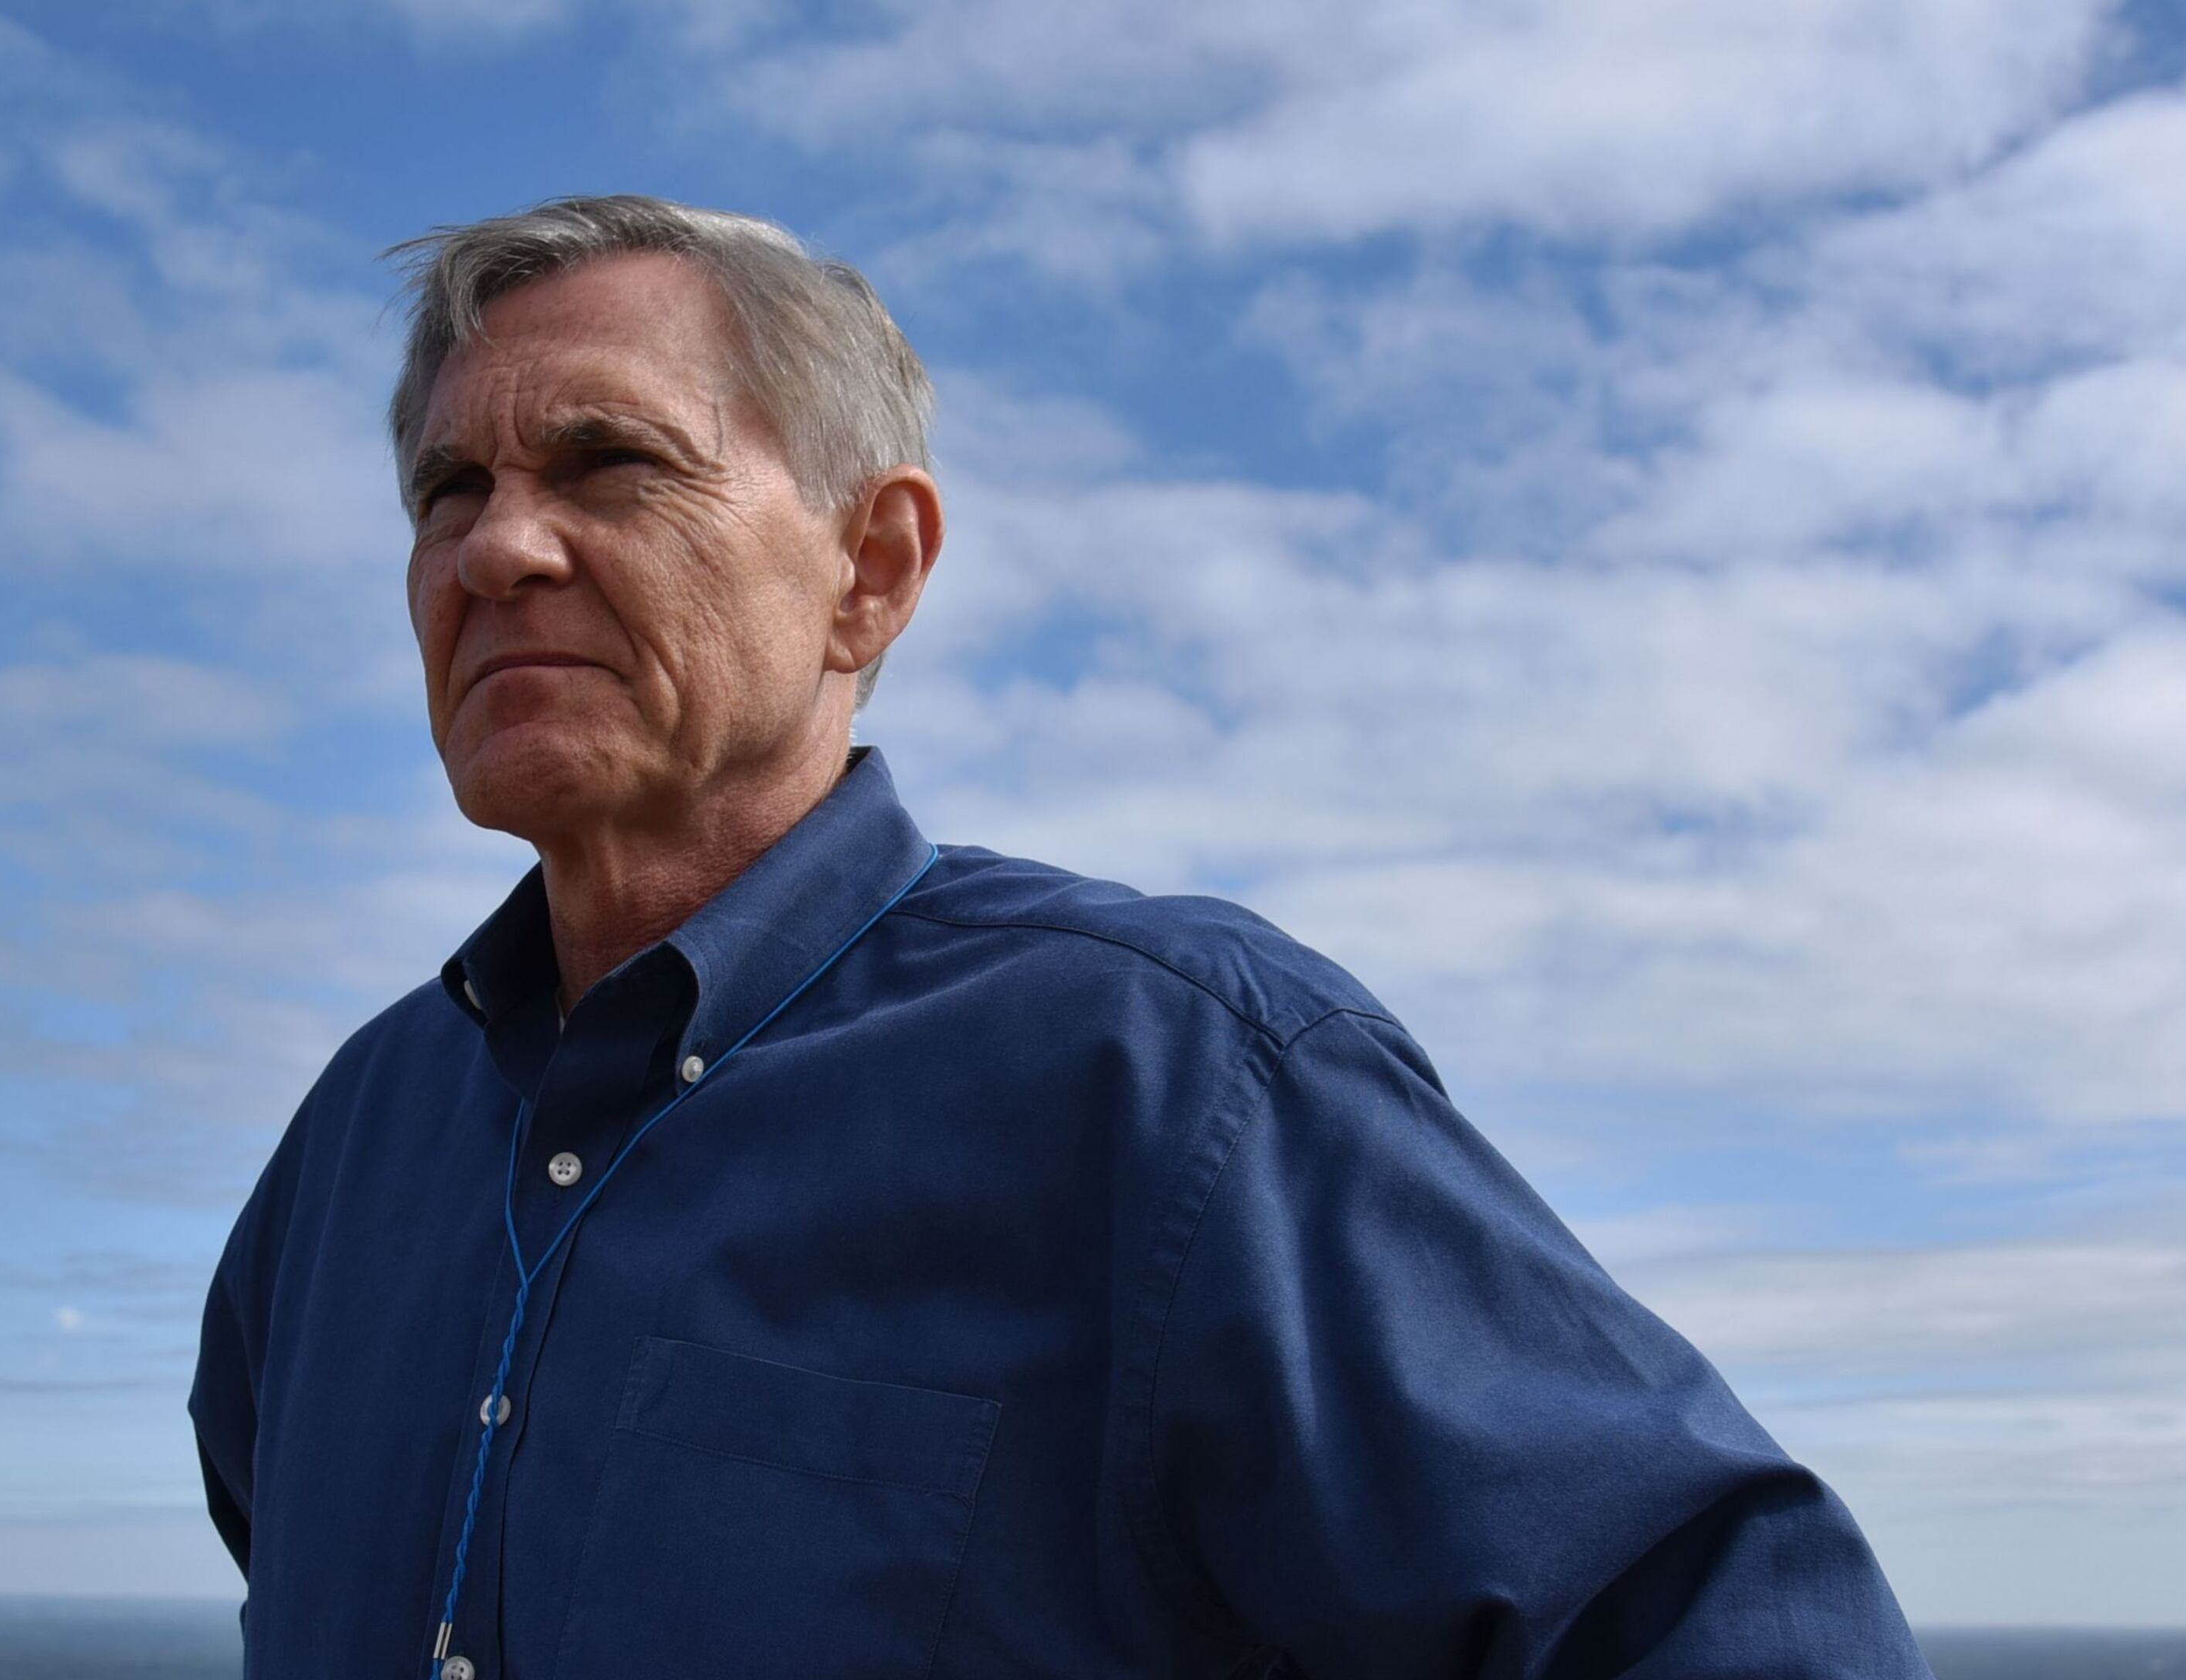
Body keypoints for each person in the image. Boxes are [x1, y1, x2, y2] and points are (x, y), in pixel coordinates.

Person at [189, 194, 1929, 1678]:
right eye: (445, 492)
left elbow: (1731, 1628)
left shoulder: (1180, 1078)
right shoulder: (361, 1136)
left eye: (608, 463)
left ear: (869, 569)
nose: (496, 548)